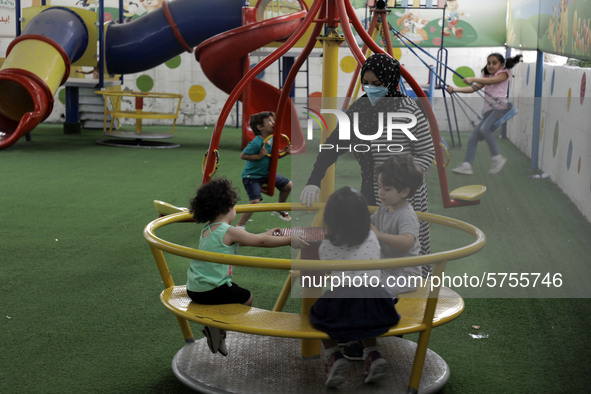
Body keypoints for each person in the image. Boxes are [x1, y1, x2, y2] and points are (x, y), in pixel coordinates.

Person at [300, 53, 435, 275]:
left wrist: (405, 182)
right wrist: (314, 180)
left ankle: (417, 289)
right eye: (366, 83)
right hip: (374, 192)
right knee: (373, 249)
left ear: (390, 82)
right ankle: (376, 295)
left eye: (377, 84)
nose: (370, 88)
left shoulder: (408, 109)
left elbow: (426, 151)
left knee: (410, 248)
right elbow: (332, 146)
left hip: (407, 194)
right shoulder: (359, 110)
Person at [186, 178, 308, 356]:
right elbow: (260, 242)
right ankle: (217, 328)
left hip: (195, 288)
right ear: (228, 207)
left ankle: (216, 330)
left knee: (235, 294)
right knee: (246, 298)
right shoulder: (229, 231)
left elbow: (254, 238)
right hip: (212, 289)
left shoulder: (209, 229)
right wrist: (289, 240)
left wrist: (266, 234)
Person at [309, 187, 399, 387]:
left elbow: (330, 274)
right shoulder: (372, 238)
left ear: (331, 220)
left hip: (345, 301)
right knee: (366, 315)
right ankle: (372, 353)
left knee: (316, 314)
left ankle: (333, 355)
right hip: (377, 301)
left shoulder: (326, 246)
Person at [446, 53, 523, 175]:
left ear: (501, 65)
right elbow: (473, 88)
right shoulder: (486, 76)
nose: (491, 65)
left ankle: (497, 157)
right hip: (488, 112)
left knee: (484, 128)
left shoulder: (504, 74)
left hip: (500, 108)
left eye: (494, 63)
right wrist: (455, 89)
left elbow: (492, 81)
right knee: (473, 137)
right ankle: (467, 165)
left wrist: (473, 78)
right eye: (489, 63)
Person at [237, 111, 293, 228]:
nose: (273, 122)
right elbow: (243, 156)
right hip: (252, 177)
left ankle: (279, 207)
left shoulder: (272, 139)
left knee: (288, 185)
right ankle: (240, 226)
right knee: (255, 202)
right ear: (260, 127)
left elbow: (274, 156)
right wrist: (259, 156)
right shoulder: (256, 142)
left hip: (267, 174)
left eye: (273, 120)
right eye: (269, 121)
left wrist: (285, 153)